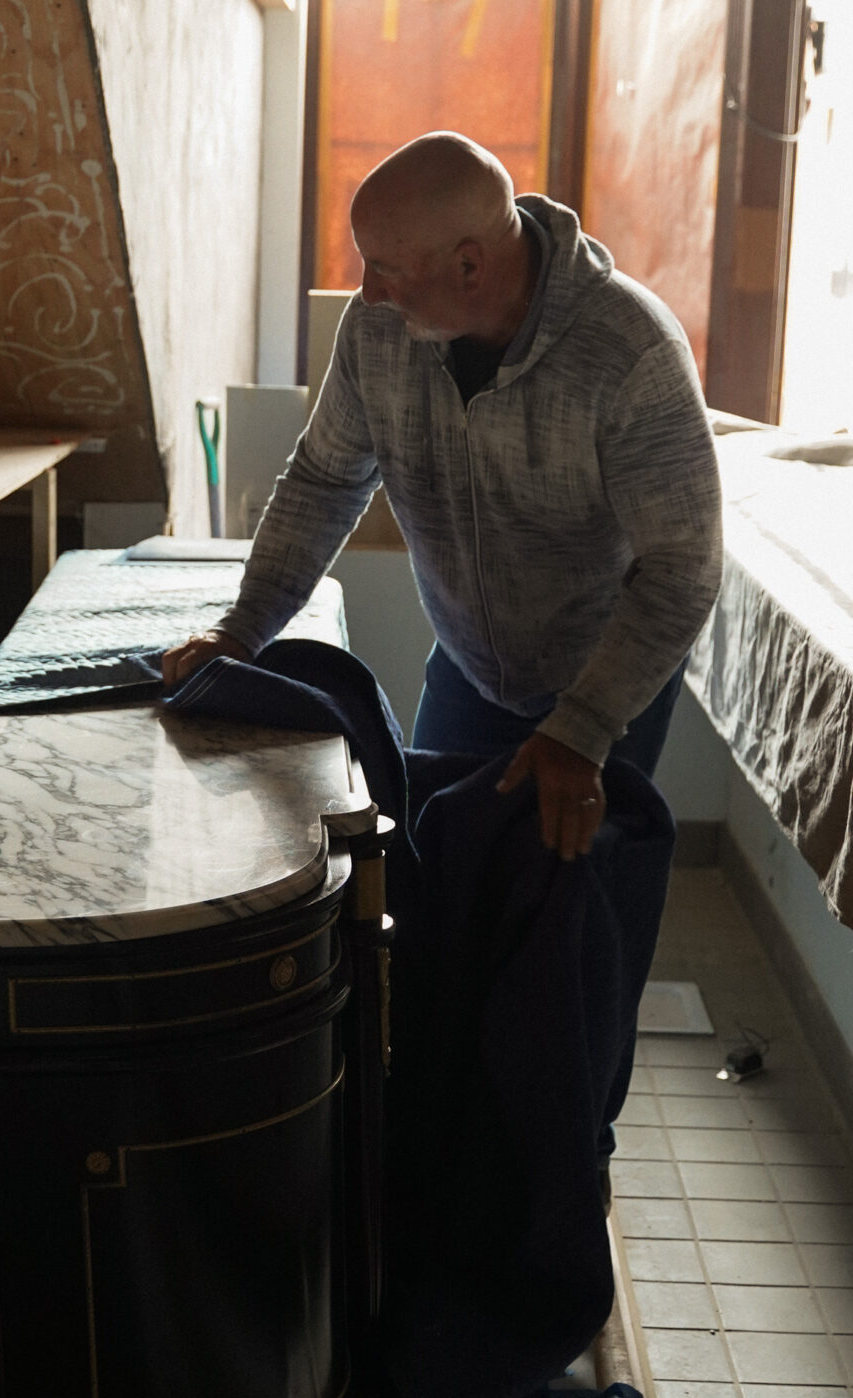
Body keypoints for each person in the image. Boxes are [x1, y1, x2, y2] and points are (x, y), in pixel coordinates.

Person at [162, 132, 722, 858]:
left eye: (384, 269)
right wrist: (242, 630)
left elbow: (684, 565)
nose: (367, 292)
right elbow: (325, 478)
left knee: (563, 909)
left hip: (600, 679)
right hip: (467, 668)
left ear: (469, 265)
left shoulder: (631, 354)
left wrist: (583, 727)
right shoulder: (377, 331)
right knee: (434, 864)